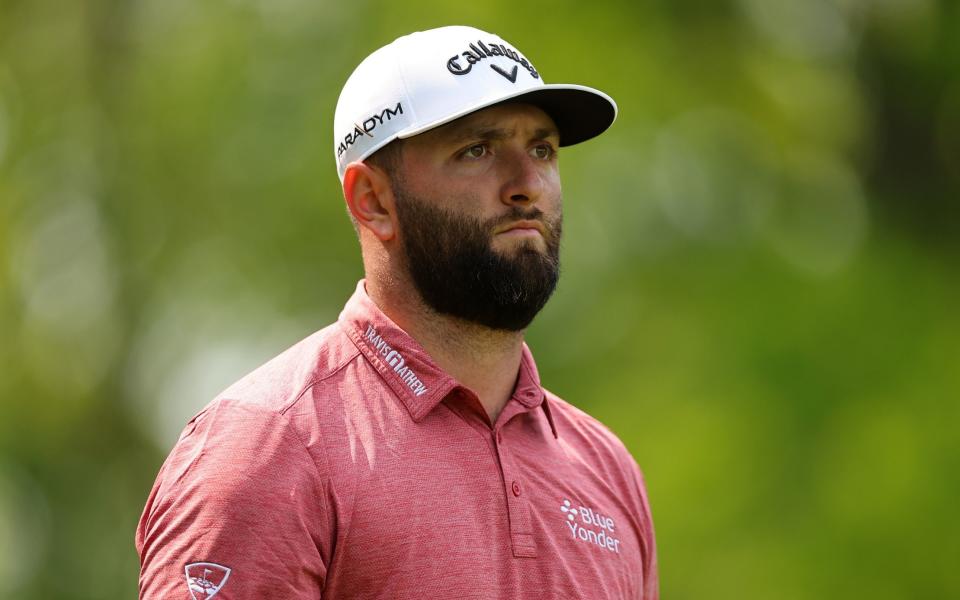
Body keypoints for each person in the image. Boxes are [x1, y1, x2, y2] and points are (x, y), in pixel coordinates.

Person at [136, 25, 658, 599]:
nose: (527, 184)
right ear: (374, 200)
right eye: (476, 151)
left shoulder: (607, 470)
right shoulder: (267, 449)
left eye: (541, 149)